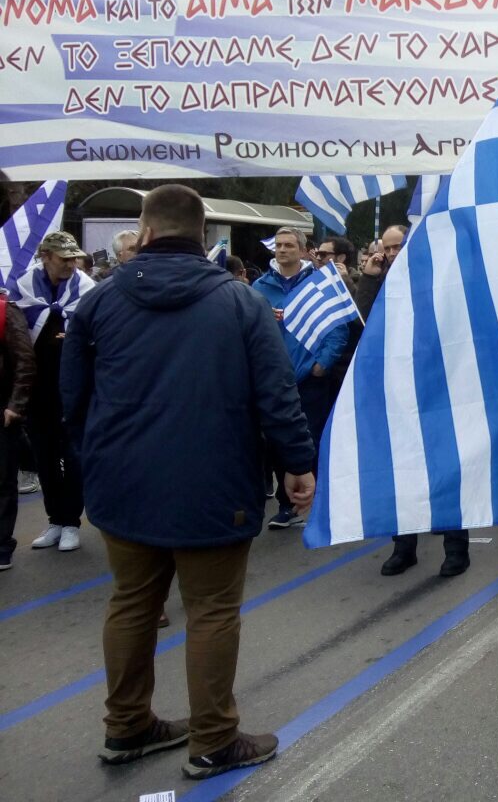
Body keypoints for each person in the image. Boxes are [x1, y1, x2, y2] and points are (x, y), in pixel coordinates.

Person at [62, 184, 316, 780]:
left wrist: (92, 461)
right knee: (211, 611)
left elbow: (73, 399)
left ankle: (127, 725)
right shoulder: (241, 301)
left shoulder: (99, 302)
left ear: (145, 231)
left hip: (122, 481)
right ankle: (214, 740)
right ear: (202, 236)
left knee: (132, 603)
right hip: (214, 481)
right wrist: (297, 462)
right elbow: (276, 391)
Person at [355, 225, 471, 577]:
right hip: (396, 390)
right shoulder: (382, 282)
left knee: (445, 469)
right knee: (401, 471)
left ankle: (456, 548)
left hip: (438, 388)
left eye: (398, 246)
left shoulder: (437, 274)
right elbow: (364, 324)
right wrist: (369, 279)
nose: (392, 254)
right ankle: (404, 547)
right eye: (387, 248)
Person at [252, 228, 347, 530]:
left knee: (311, 439)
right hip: (273, 379)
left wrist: (322, 364)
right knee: (277, 441)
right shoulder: (260, 287)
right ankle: (288, 504)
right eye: (278, 245)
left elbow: (337, 328)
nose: (282, 250)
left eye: (289, 245)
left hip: (309, 378)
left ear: (304, 250)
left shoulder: (319, 284)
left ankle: (313, 500)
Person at [21, 230, 94, 553]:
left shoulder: (86, 289)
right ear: (45, 257)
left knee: (74, 457)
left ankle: (72, 522)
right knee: (45, 457)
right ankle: (55, 520)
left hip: (74, 389)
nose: (70, 264)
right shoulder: (23, 287)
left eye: (73, 258)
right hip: (38, 390)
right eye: (64, 259)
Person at [0, 287, 36, 571]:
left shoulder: (6, 312)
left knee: (2, 481)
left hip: (3, 412)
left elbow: (25, 360)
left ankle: (2, 546)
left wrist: (15, 405)